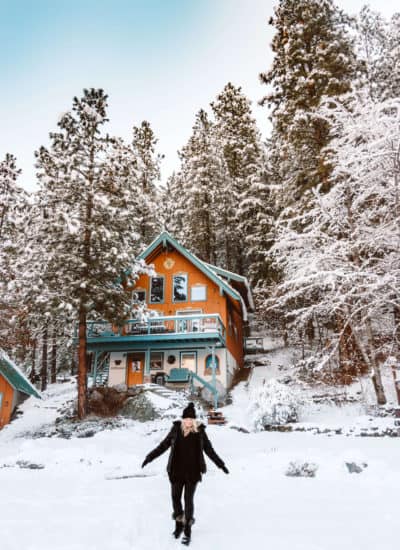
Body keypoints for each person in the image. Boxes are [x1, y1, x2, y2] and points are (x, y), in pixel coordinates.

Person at [141, 402, 229, 545]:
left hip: (193, 473)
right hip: (176, 471)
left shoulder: (200, 432)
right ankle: (178, 523)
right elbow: (163, 445)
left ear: (194, 420)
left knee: (188, 500)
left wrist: (221, 465)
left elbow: (209, 450)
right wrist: (149, 457)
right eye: (186, 419)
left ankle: (187, 529)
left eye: (190, 419)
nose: (188, 421)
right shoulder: (176, 430)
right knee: (175, 498)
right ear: (183, 419)